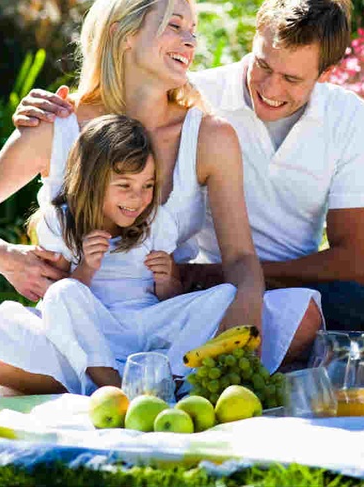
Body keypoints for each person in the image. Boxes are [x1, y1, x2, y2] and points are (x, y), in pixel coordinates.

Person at [0, 0, 321, 395]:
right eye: (175, 26)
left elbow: (242, 258)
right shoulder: (57, 125)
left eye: (192, 31)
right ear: (124, 34)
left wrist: (246, 315)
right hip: (76, 324)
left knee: (301, 316)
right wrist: (3, 255)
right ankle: (152, 382)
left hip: (163, 321)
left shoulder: (209, 135)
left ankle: (126, 382)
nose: (190, 41)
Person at [13, 0, 364, 344]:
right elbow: (114, 113)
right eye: (263, 65)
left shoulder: (346, 114)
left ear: (324, 73)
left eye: (292, 79)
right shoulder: (192, 96)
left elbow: (351, 263)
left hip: (274, 281)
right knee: (360, 311)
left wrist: (221, 275)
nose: (270, 88)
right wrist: (42, 114)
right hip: (208, 291)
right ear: (254, 39)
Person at [32, 114, 244, 393]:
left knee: (225, 295)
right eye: (124, 186)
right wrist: (86, 268)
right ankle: (115, 385)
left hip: (148, 323)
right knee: (61, 293)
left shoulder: (155, 222)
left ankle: (171, 378)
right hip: (100, 328)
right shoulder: (61, 222)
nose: (138, 198)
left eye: (147, 185)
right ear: (92, 182)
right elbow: (62, 303)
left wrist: (167, 281)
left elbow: (170, 299)